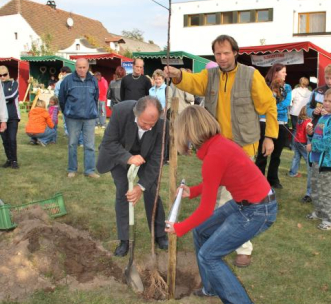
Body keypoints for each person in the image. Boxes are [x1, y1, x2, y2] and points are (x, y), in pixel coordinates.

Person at [164, 34, 278, 268]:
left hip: (243, 147)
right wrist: (178, 76)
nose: (222, 57)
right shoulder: (211, 75)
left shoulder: (250, 75)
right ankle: (220, 242)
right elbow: (194, 82)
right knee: (219, 195)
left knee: (231, 199)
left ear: (236, 52)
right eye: (218, 53)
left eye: (226, 53)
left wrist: (270, 136)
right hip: (216, 148)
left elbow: (269, 105)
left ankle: (239, 247)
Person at [165, 105, 277, 304]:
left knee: (209, 255)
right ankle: (212, 287)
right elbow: (219, 179)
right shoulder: (218, 145)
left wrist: (179, 228)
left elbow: (206, 210)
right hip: (247, 203)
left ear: (188, 132)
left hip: (258, 210)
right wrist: (194, 191)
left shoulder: (214, 155)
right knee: (201, 232)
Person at [96, 96, 168, 256]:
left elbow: (157, 158)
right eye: (144, 123)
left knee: (151, 189)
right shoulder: (121, 111)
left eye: (152, 124)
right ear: (136, 113)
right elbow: (109, 143)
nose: (149, 128)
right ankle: (124, 239)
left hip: (146, 155)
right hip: (120, 153)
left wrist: (140, 186)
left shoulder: (162, 125)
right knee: (123, 191)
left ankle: (159, 234)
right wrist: (128, 158)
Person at [306, 88, 331, 230]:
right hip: (317, 159)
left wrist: (313, 146)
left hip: (329, 162)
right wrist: (310, 134)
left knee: (328, 192)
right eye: (325, 100)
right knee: (317, 188)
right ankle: (319, 212)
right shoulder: (324, 117)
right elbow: (319, 135)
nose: (327, 104)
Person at [58, 58, 100, 179]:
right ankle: (72, 169)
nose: (82, 70)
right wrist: (68, 111)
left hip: (89, 118)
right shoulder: (67, 80)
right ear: (75, 67)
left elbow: (95, 97)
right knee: (72, 144)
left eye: (84, 67)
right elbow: (62, 98)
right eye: (79, 67)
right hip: (72, 118)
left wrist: (92, 111)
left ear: (88, 67)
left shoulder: (93, 80)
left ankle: (90, 170)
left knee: (90, 145)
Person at [255, 64, 292, 189]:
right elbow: (260, 103)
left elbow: (285, 104)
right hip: (264, 122)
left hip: (281, 123)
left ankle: (273, 179)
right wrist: (271, 105)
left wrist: (270, 106)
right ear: (275, 72)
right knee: (262, 153)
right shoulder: (264, 85)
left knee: (276, 155)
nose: (285, 74)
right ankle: (258, 179)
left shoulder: (287, 87)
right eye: (283, 72)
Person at [0, 65, 20, 169]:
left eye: (4, 74)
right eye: (0, 75)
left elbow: (12, 96)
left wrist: (2, 99)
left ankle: (14, 160)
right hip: (1, 117)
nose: (2, 77)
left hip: (12, 116)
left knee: (12, 139)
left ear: (8, 74)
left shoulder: (13, 83)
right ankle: (9, 159)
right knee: (5, 140)